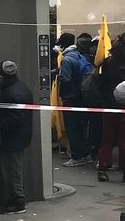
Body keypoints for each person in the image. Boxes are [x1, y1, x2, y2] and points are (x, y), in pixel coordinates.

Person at [0, 60, 33, 215]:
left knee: (12, 171)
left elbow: (14, 119)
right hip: (17, 138)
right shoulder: (18, 87)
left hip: (12, 139)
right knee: (12, 170)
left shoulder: (12, 93)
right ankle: (14, 199)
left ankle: (17, 202)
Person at [58, 35, 93, 166]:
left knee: (72, 128)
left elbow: (65, 79)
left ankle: (77, 156)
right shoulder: (79, 57)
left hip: (70, 98)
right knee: (81, 127)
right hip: (82, 97)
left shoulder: (66, 60)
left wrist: (58, 77)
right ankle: (86, 154)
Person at [97, 33, 125, 182]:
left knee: (107, 139)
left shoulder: (107, 62)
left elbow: (101, 84)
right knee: (123, 140)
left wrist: (106, 101)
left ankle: (102, 168)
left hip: (109, 106)